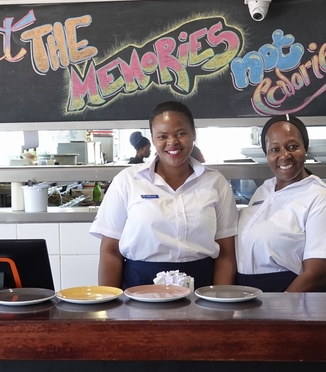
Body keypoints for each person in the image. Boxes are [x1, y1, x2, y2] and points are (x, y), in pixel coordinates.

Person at [91, 101, 238, 289]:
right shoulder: (127, 181)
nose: (172, 142)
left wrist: (219, 300)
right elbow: (110, 252)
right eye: (162, 136)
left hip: (201, 290)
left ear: (194, 134)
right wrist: (111, 301)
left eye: (181, 133)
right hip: (139, 289)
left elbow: (226, 254)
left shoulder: (216, 182)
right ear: (153, 139)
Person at [235, 115, 326, 292]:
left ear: (305, 148)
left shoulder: (323, 199)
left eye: (293, 147)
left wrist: (282, 306)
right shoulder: (264, 190)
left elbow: (316, 275)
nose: (284, 155)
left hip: (293, 299)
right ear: (267, 154)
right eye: (275, 149)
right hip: (251, 297)